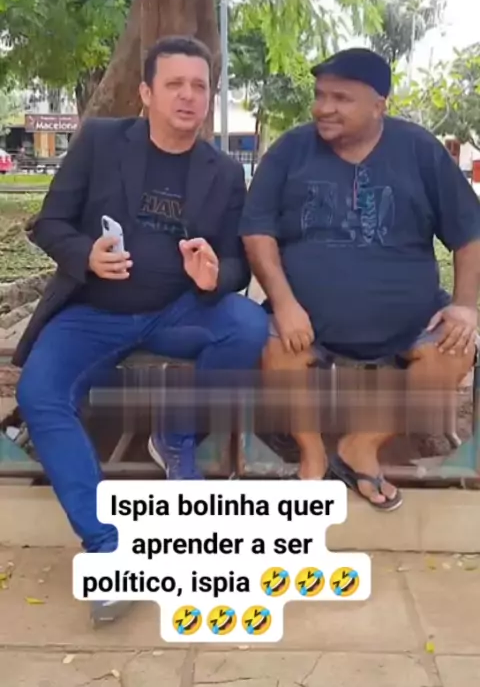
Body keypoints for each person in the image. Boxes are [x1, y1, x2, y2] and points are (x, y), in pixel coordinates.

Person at [13, 35, 269, 623]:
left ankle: (176, 436)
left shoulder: (225, 172)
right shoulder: (102, 142)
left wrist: (216, 277)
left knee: (248, 326)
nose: (188, 96)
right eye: (174, 84)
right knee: (40, 393)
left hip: (179, 311)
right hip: (93, 312)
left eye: (199, 86)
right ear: (146, 93)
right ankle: (107, 549)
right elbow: (49, 222)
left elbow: (237, 263)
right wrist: (85, 255)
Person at [240, 47, 480, 511]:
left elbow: (469, 232)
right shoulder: (291, 150)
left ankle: (360, 447)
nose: (324, 108)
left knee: (454, 353)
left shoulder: (419, 151)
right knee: (275, 348)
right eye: (320, 95)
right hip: (306, 323)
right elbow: (257, 230)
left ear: (378, 105)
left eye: (341, 98)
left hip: (410, 322)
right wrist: (284, 303)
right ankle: (312, 454)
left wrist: (466, 305)